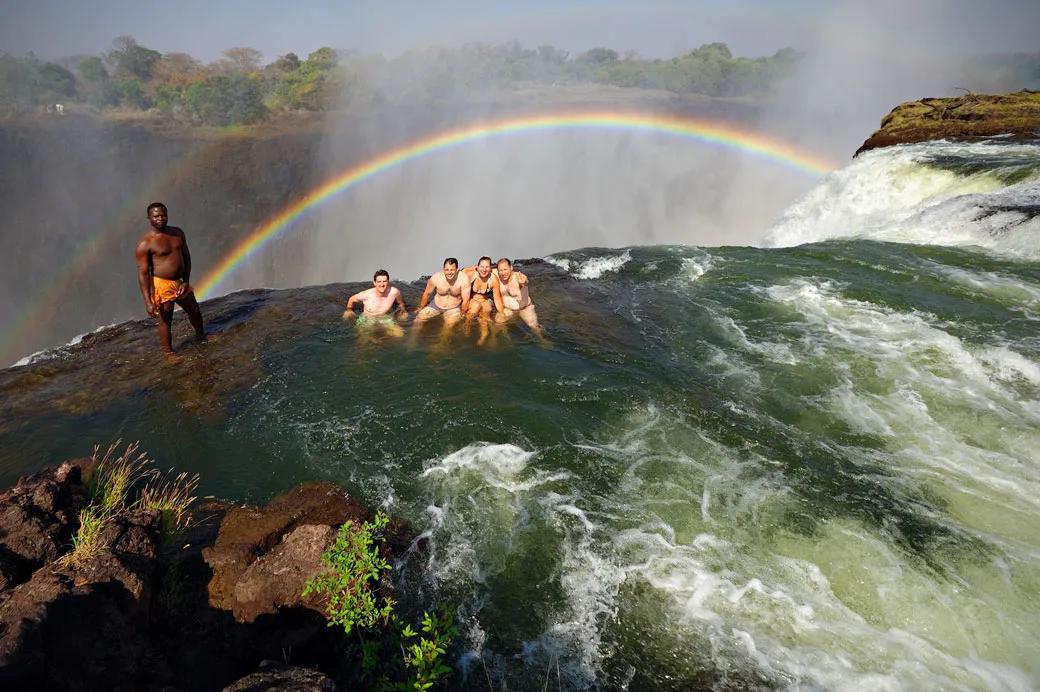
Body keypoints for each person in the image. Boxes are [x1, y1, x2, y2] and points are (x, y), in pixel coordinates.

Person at [135, 202, 206, 359]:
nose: (161, 218)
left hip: (180, 282)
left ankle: (201, 336)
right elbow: (143, 274)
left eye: (163, 215)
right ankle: (168, 353)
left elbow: (186, 257)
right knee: (166, 319)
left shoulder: (177, 233)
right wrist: (148, 302)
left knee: (194, 310)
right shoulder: (145, 243)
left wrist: (186, 281)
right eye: (156, 216)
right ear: (149, 218)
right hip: (161, 284)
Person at [343, 269, 408, 337]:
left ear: (388, 282)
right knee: (363, 341)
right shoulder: (366, 294)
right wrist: (349, 310)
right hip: (367, 319)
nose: (382, 284)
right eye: (379, 282)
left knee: (400, 335)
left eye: (384, 281)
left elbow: (400, 303)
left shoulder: (394, 292)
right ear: (374, 283)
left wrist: (403, 310)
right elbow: (352, 299)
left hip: (385, 318)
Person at [493, 258, 542, 335]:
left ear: (511, 268)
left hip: (525, 308)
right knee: (498, 323)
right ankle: (506, 339)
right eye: (500, 270)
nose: (503, 273)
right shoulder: (497, 275)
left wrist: (523, 282)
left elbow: (525, 281)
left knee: (534, 327)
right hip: (508, 310)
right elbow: (483, 268)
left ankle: (544, 342)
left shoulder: (519, 277)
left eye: (505, 269)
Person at [415, 257, 470, 325]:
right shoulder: (436, 278)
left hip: (453, 308)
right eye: (447, 270)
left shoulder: (464, 279)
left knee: (449, 326)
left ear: (457, 270)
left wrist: (462, 314)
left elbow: (466, 300)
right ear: (443, 269)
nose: (449, 272)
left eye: (452, 270)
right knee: (418, 320)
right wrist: (421, 308)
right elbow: (427, 294)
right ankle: (412, 336)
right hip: (435, 305)